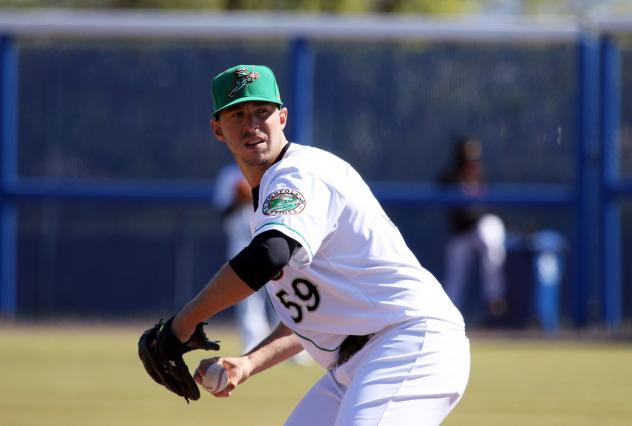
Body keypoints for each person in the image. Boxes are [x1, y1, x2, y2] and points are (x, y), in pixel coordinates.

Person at [141, 64, 470, 425]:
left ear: (281, 117)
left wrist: (184, 323)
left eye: (261, 112)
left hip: (407, 344)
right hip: (355, 364)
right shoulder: (269, 198)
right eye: (237, 114)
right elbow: (313, 316)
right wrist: (250, 361)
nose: (251, 124)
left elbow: (269, 254)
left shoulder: (298, 174)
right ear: (217, 129)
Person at [439, 136, 507, 319]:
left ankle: (494, 296)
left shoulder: (481, 175)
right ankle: (448, 316)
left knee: (489, 236)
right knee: (455, 277)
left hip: (480, 228)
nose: (471, 162)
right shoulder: (450, 177)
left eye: (474, 158)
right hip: (462, 234)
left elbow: (490, 208)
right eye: (467, 158)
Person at [213, 163, 274, 353]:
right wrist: (237, 199)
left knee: (281, 293)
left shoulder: (275, 169)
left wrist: (254, 196)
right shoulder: (229, 174)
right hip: (241, 241)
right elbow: (222, 211)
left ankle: (293, 348)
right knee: (246, 295)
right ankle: (253, 344)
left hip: (273, 239)